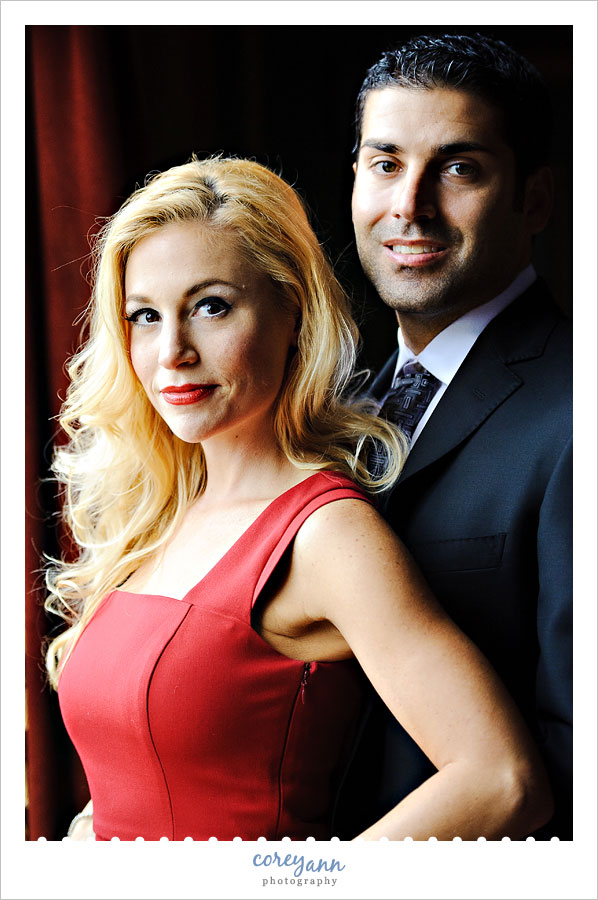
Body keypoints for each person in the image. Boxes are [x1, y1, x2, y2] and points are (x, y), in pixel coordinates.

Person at [46, 156, 553, 842]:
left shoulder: (327, 533)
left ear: (294, 315)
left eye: (212, 306)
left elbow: (500, 780)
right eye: (144, 315)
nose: (172, 351)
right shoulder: (159, 516)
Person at [347, 33, 572, 839]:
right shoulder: (336, 411)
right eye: (385, 163)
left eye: (459, 167)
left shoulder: (576, 415)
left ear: (534, 200)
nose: (410, 204)